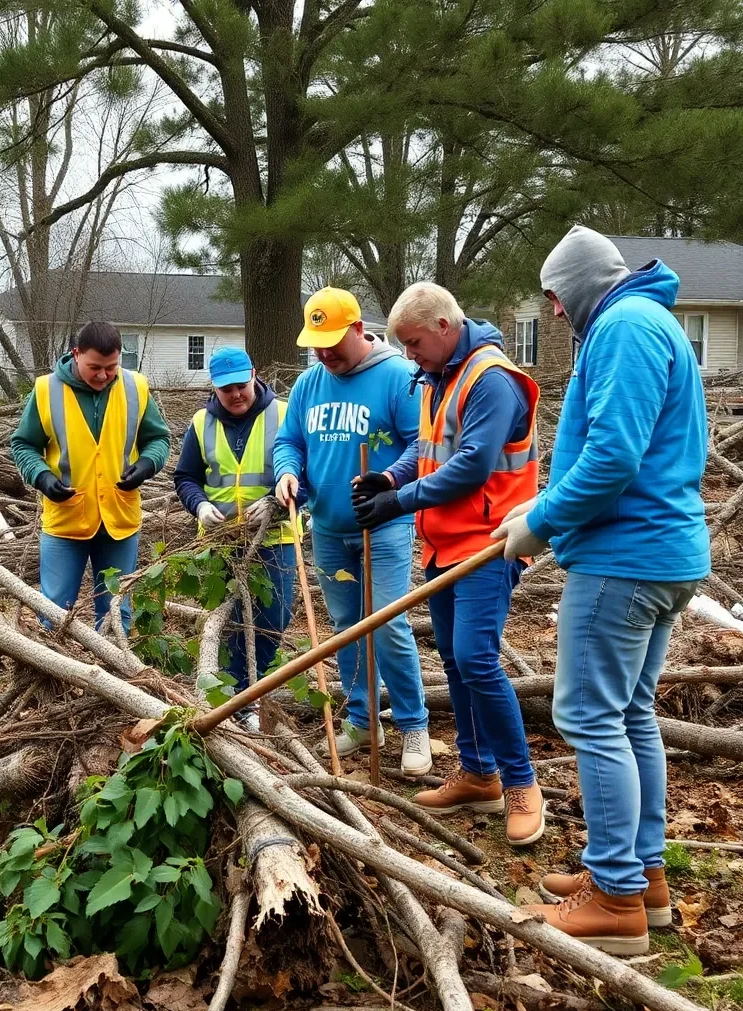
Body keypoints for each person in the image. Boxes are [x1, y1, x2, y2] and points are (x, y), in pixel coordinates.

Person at [493, 226, 710, 954]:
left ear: (582, 285)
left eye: (555, 296)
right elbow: (624, 448)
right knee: (629, 713)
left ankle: (614, 896)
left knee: (588, 714)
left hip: (625, 559)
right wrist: (542, 505)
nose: (553, 313)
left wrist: (543, 522)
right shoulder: (651, 323)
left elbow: (615, 456)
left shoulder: (622, 326)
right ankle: (640, 878)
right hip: (658, 552)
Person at [351, 282, 545, 846]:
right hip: (443, 544)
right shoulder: (438, 375)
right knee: (458, 665)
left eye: (413, 342)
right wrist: (390, 475)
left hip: (490, 541)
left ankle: (520, 783)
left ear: (443, 326)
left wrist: (399, 502)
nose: (407, 354)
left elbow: (471, 466)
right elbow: (430, 445)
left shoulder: (493, 380)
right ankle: (477, 772)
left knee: (477, 659)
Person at [272, 287, 431, 775]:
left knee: (384, 622)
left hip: (383, 525)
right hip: (327, 527)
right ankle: (363, 720)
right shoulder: (308, 384)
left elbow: (420, 442)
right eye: (317, 344)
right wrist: (286, 471)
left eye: (333, 343)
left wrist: (388, 481)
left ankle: (413, 726)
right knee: (345, 629)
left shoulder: (399, 377)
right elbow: (289, 439)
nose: (325, 353)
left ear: (359, 329)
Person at [10, 321, 170, 632]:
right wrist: (41, 477)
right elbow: (23, 444)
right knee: (53, 610)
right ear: (76, 354)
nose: (102, 375)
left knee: (115, 612)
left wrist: (148, 464)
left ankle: (109, 674)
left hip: (119, 519)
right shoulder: (47, 390)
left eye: (111, 367)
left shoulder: (135, 387)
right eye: (94, 367)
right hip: (65, 519)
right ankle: (52, 675)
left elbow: (159, 439)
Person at [174, 347, 302, 730]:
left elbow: (305, 474)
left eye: (241, 386)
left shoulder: (283, 414)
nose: (236, 395)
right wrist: (198, 506)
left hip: (274, 537)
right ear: (214, 388)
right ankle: (229, 698)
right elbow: (186, 478)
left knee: (271, 620)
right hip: (220, 541)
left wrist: (276, 505)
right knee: (226, 622)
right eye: (226, 389)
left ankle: (252, 693)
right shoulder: (200, 423)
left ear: (255, 375)